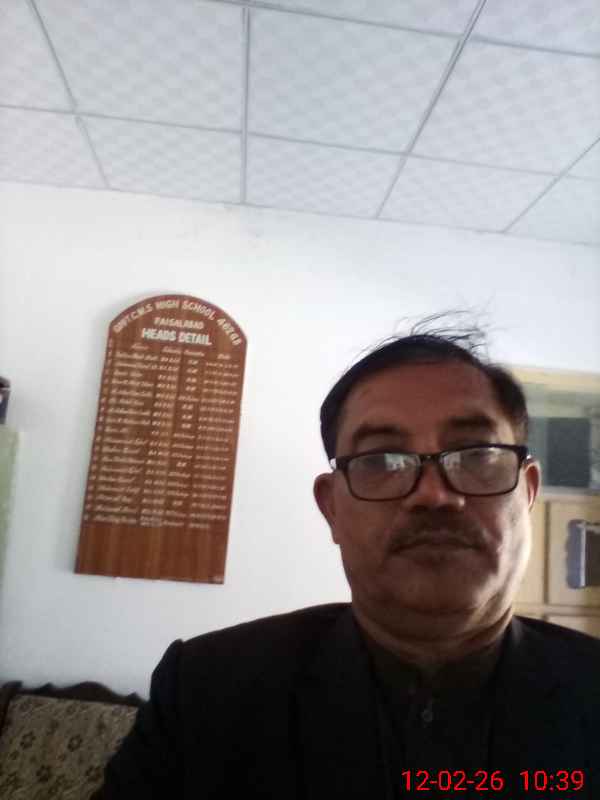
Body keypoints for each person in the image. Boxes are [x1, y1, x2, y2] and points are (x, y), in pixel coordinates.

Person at [96, 319, 600, 799]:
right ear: (331, 508)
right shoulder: (205, 691)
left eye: (476, 454)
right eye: (381, 459)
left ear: (527, 492)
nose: (434, 495)